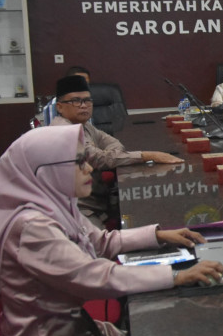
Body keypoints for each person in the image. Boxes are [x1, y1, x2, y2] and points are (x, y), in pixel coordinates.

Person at [0, 125, 223, 336]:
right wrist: (177, 276)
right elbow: (94, 277)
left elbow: (99, 241)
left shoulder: (53, 205)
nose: (89, 170)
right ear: (45, 171)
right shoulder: (32, 228)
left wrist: (157, 235)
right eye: (78, 162)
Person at [51, 74, 183, 224]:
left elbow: (112, 142)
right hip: (77, 210)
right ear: (59, 107)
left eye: (87, 100)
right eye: (76, 101)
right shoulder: (63, 132)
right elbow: (100, 159)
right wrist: (148, 155)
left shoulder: (84, 125)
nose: (83, 105)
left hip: (97, 200)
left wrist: (111, 154)